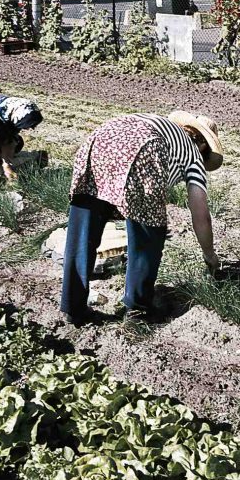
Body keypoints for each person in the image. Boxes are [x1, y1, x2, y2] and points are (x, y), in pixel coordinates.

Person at [61, 110, 222, 325]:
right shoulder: (194, 156)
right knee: (149, 232)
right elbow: (200, 215)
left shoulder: (164, 127)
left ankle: (73, 306)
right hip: (145, 148)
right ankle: (137, 309)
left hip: (100, 137)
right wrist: (209, 255)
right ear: (203, 145)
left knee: (83, 229)